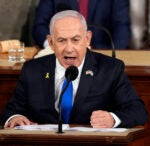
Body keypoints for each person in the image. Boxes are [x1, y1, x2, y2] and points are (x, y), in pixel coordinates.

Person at [0, 10, 147, 128]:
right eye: (62, 40)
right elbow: (11, 110)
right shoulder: (33, 70)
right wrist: (15, 117)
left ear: (87, 39)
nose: (69, 49)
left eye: (76, 40)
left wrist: (112, 119)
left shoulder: (109, 69)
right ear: (51, 42)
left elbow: (138, 111)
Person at [32, 0, 131, 50]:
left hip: (101, 54)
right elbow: (40, 26)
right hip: (62, 55)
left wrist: (111, 57)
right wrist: (52, 46)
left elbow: (122, 27)